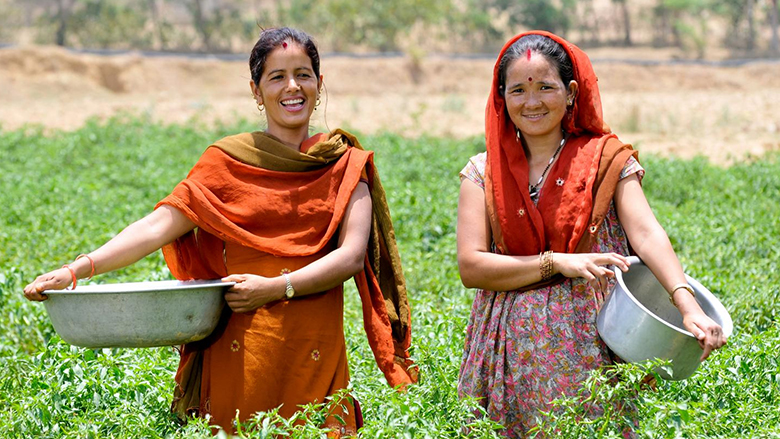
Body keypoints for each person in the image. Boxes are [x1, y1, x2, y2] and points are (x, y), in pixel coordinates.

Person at [23, 27, 416, 436]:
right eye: (277, 77)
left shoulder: (343, 163)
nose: (292, 87)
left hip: (314, 349)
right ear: (255, 90)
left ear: (320, 83)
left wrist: (276, 287)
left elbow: (351, 256)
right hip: (241, 350)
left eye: (303, 74)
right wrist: (76, 271)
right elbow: (158, 225)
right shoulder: (226, 162)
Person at [455, 30, 728, 437]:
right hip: (506, 356)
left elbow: (648, 233)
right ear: (501, 97)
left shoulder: (607, 161)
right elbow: (472, 267)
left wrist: (686, 304)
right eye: (518, 90)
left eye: (545, 87)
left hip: (591, 350)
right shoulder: (482, 173)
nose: (532, 102)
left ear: (571, 93)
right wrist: (557, 262)